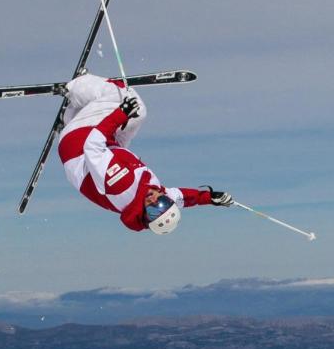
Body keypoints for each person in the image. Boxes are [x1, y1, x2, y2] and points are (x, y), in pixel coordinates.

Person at [57, 73, 233, 234]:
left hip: (78, 144)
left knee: (123, 97)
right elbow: (182, 198)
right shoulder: (153, 194)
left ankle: (75, 87)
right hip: (109, 151)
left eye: (152, 211)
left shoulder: (122, 186)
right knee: (137, 114)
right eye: (163, 203)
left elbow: (92, 146)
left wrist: (120, 114)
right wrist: (209, 198)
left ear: (145, 217)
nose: (154, 201)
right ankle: (72, 114)